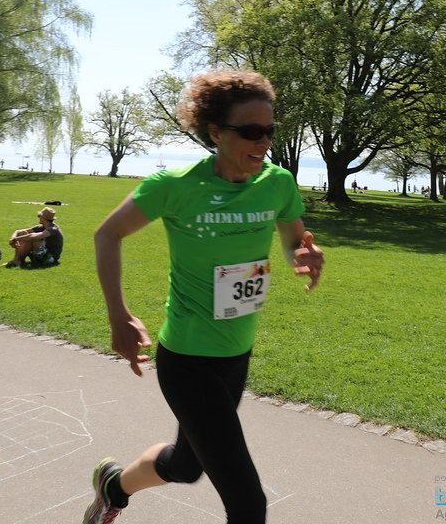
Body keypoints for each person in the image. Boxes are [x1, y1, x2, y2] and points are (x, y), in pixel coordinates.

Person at [82, 70, 324, 524]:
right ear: (214, 132)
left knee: (186, 465)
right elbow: (107, 233)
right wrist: (118, 315)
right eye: (250, 131)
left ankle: (113, 486)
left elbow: (294, 241)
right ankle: (114, 488)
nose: (263, 142)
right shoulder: (175, 185)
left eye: (269, 131)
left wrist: (304, 255)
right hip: (187, 359)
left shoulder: (278, 184)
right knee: (249, 504)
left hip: (237, 353)